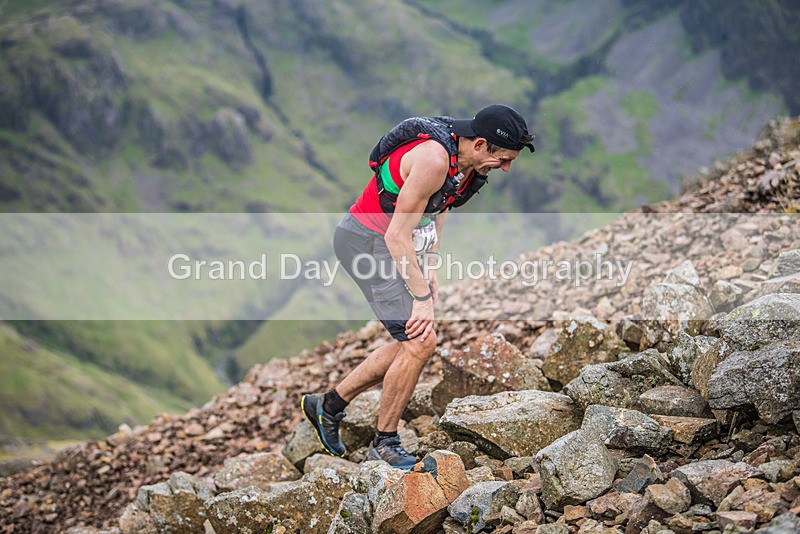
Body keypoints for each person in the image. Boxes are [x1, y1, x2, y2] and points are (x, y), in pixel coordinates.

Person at [301, 104, 535, 469]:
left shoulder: (466, 164)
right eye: (503, 159)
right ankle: (385, 443)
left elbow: (440, 207)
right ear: (481, 145)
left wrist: (432, 267)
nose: (505, 167)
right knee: (421, 340)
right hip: (366, 242)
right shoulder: (434, 159)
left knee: (410, 341)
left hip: (391, 244)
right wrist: (422, 299)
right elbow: (397, 234)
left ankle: (328, 406)